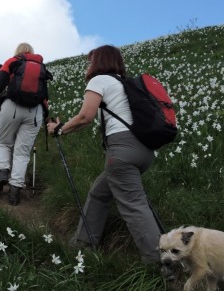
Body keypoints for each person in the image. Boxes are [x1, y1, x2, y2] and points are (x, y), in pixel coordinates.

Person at [46, 45, 160, 265]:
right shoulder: (125, 84)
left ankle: (162, 266)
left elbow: (85, 117)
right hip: (144, 150)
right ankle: (83, 245)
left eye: (91, 61)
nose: (89, 66)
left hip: (122, 150)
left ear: (98, 62)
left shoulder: (99, 80)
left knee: (134, 207)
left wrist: (59, 130)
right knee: (99, 193)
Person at [0, 43, 48, 206]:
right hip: (34, 112)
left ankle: (2, 172)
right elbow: (44, 94)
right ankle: (15, 190)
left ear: (18, 51)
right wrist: (45, 113)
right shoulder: (41, 66)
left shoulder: (12, 61)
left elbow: (0, 84)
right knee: (22, 152)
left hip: (12, 106)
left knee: (4, 143)